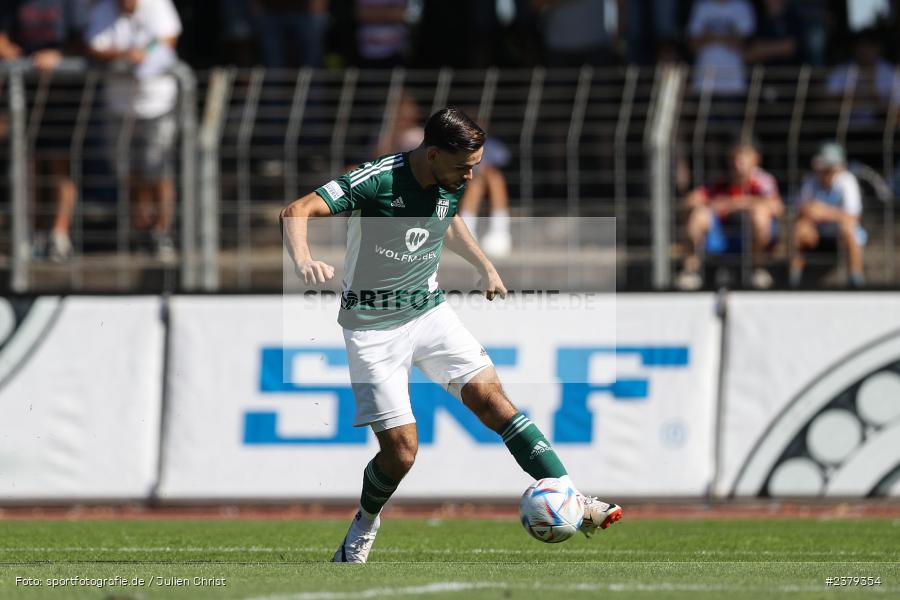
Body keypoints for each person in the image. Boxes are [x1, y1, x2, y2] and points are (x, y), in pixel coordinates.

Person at [280, 108, 623, 564]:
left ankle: (574, 500)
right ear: (434, 153)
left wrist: (484, 265)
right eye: (465, 165)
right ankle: (363, 525)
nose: (471, 174)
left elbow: (448, 220)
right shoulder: (378, 178)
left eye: (476, 164)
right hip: (373, 328)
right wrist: (304, 260)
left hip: (429, 312)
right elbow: (296, 210)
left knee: (494, 401)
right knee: (401, 453)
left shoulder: (449, 182)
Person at [87, 0, 181, 261]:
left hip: (157, 103)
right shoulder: (104, 9)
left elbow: (168, 40)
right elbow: (94, 46)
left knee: (158, 170)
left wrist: (144, 52)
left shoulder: (158, 5)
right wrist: (125, 56)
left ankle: (162, 232)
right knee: (129, 173)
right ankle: (141, 230)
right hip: (119, 106)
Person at [0, 0, 87, 261]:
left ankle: (58, 235)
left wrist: (58, 57)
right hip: (24, 94)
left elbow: (86, 39)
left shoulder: (71, 4)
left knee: (60, 164)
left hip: (62, 94)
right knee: (29, 165)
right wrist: (12, 54)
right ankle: (31, 235)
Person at [676, 141, 783, 290]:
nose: (739, 163)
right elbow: (691, 200)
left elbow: (776, 207)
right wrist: (711, 203)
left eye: (744, 157)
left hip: (749, 235)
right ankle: (691, 271)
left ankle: (758, 269)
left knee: (761, 214)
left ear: (755, 159)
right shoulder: (722, 180)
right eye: (736, 158)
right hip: (721, 233)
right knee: (698, 215)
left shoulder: (763, 181)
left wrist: (734, 204)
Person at [790, 142, 866, 289]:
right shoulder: (810, 180)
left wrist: (823, 212)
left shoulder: (847, 181)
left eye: (829, 168)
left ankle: (856, 278)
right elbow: (804, 210)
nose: (825, 172)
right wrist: (823, 213)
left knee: (849, 230)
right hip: (817, 233)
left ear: (839, 167)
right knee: (800, 229)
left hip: (840, 234)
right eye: (823, 168)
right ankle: (794, 279)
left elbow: (852, 217)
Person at [458, 136, 513, 257]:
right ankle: (466, 231)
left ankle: (499, 230)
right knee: (476, 183)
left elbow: (504, 157)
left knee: (494, 178)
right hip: (461, 181)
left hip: (485, 179)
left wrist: (484, 169)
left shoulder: (490, 142)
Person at [687, 0, 755, 95]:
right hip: (704, 81)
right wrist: (728, 36)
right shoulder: (701, 6)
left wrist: (711, 36)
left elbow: (744, 44)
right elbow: (693, 44)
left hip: (734, 82)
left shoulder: (742, 6)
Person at [744, 0, 805, 66]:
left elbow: (792, 47)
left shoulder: (793, 16)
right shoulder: (755, 17)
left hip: (790, 72)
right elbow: (748, 55)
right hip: (762, 73)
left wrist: (763, 49)